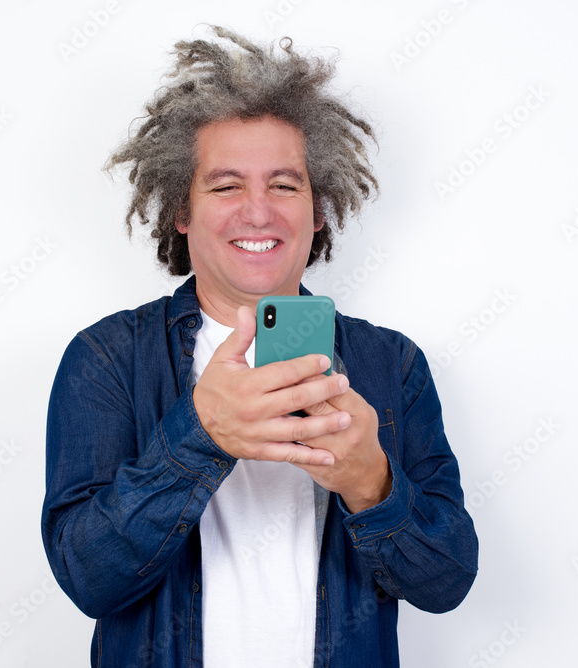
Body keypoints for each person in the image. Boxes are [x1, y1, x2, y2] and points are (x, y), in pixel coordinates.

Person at [41, 26, 478, 667]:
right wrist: (199, 435)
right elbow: (88, 577)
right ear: (181, 211)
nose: (257, 211)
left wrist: (371, 483)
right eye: (225, 186)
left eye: (284, 185)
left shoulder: (393, 364)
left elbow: (447, 582)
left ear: (318, 209)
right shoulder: (106, 358)